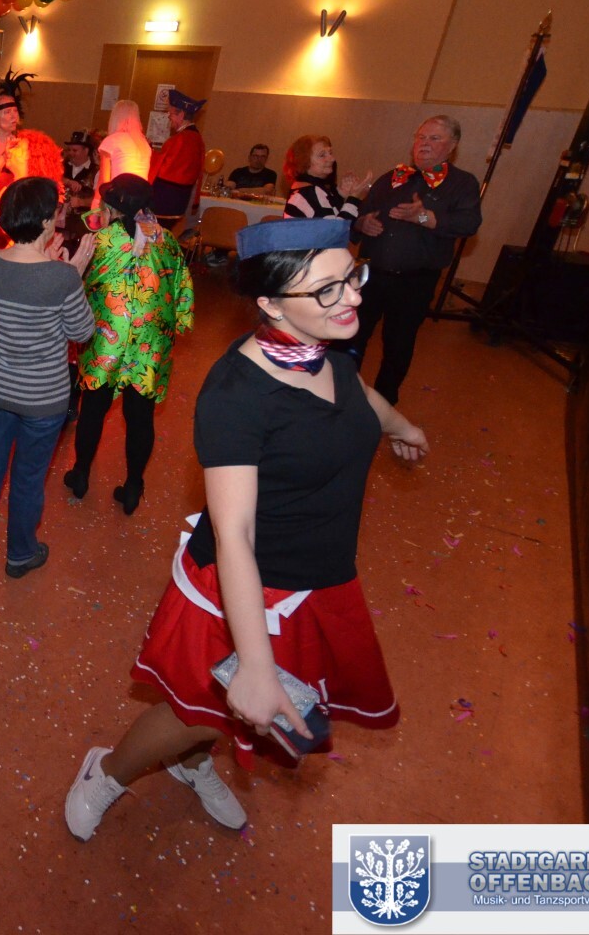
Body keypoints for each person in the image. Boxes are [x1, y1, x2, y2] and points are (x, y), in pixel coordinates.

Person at [65, 217, 427, 842]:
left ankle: (192, 764)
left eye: (352, 278)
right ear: (271, 304)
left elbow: (356, 394)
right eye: (327, 289)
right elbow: (234, 532)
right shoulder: (236, 394)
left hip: (314, 580)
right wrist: (255, 663)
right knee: (197, 712)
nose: (352, 298)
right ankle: (109, 771)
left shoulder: (325, 352)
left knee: (224, 717)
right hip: (247, 589)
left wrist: (402, 428)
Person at [0, 178, 95, 578]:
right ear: (45, 220)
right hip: (42, 398)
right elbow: (82, 331)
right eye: (57, 210)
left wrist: (54, 266)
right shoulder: (62, 277)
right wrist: (73, 273)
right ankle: (20, 555)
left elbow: (25, 287)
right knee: (27, 479)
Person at [62, 175, 196, 515]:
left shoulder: (100, 240)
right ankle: (134, 486)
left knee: (93, 409)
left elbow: (75, 286)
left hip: (107, 336)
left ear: (112, 208)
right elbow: (183, 294)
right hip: (150, 340)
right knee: (141, 417)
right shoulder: (167, 241)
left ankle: (80, 474)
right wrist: (178, 323)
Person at [345, 116, 482, 405]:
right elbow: (360, 214)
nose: (424, 144)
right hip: (370, 274)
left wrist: (423, 217)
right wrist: (362, 223)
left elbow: (469, 223)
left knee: (398, 345)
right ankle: (344, 394)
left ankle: (383, 404)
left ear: (453, 146)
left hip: (414, 282)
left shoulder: (462, 183)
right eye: (420, 137)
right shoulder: (392, 177)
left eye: (434, 138)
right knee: (351, 336)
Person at [0, 67, 63, 349]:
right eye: (6, 111)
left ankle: (0, 328)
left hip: (13, 214)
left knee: (9, 278)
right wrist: (5, 158)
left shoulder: (26, 145)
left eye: (14, 111)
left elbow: (35, 174)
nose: (13, 115)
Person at [281, 134, 371, 220]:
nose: (332, 159)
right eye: (322, 155)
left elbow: (328, 218)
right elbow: (336, 228)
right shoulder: (310, 192)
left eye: (330, 153)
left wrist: (340, 194)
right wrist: (354, 197)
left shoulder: (302, 188)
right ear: (304, 162)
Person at [148, 89, 206, 223]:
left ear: (181, 115)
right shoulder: (197, 138)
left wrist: (147, 149)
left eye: (171, 114)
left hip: (165, 204)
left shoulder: (180, 140)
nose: (169, 117)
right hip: (180, 204)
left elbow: (163, 168)